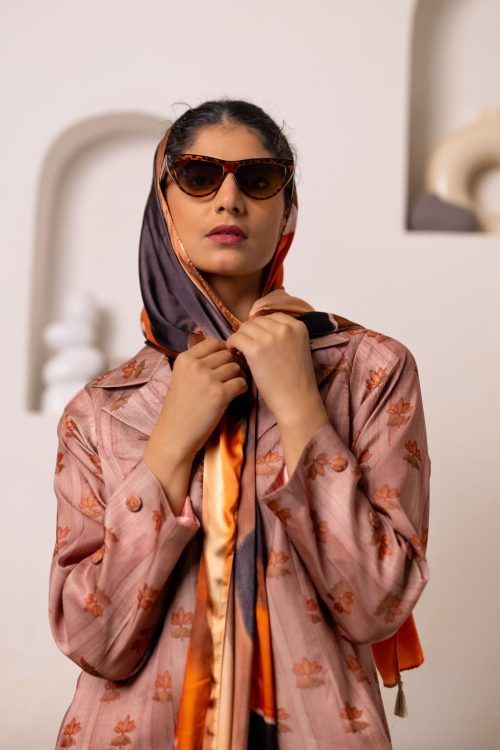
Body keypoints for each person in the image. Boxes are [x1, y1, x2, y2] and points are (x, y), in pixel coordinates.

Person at [48, 98, 431, 749]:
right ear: (164, 203)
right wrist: (169, 448)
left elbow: (377, 604)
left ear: (287, 208)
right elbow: (93, 641)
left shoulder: (369, 370)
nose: (229, 199)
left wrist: (301, 406)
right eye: (199, 176)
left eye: (258, 179)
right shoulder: (103, 407)